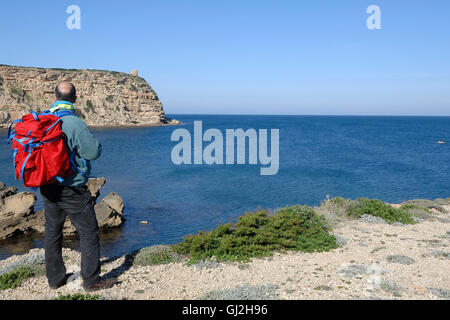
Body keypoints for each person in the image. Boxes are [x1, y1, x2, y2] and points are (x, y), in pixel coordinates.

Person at [40, 82, 116, 292]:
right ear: (74, 98)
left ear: (55, 96)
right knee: (89, 232)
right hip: (72, 188)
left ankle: (55, 280)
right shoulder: (74, 123)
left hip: (47, 185)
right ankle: (91, 281)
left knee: (53, 232)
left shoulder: (44, 119)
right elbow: (93, 152)